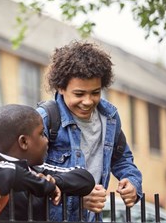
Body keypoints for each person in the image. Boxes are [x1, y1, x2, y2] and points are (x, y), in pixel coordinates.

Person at [36, 41, 143, 222]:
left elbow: (122, 159)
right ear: (61, 88)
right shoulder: (45, 119)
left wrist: (132, 182)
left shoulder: (110, 118)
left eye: (95, 92)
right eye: (79, 94)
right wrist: (77, 199)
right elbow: (29, 176)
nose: (88, 101)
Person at [0, 104, 95, 221]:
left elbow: (85, 178)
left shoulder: (38, 170)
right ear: (24, 142)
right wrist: (45, 186)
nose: (46, 140)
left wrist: (55, 181)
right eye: (42, 134)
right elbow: (7, 173)